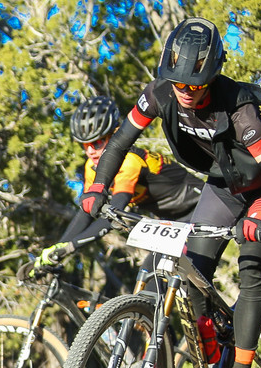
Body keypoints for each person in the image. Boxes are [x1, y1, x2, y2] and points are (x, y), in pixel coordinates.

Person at [82, 17, 261, 368]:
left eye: (196, 85)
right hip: (223, 185)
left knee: (250, 268)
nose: (186, 92)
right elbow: (120, 142)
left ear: (212, 77)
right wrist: (97, 187)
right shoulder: (159, 92)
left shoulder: (240, 108)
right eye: (179, 84)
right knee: (193, 273)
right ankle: (215, 363)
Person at [33, 94, 204, 274]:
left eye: (97, 143)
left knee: (184, 271)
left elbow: (112, 217)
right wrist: (56, 249)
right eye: (85, 145)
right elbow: (87, 212)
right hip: (170, 220)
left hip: (198, 207)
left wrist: (69, 247)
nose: (91, 151)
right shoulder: (91, 167)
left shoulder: (129, 161)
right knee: (149, 275)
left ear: (114, 136)